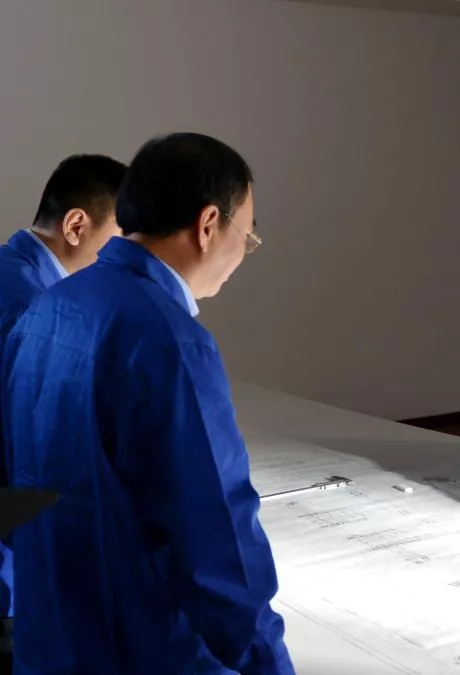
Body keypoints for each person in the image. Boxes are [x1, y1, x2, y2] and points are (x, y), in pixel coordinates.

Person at [1, 132, 294, 673]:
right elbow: (216, 541)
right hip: (135, 646)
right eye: (247, 236)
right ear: (208, 225)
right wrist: (268, 662)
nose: (242, 255)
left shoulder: (50, 306)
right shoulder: (167, 338)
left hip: (49, 639)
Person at [0, 153, 127, 671]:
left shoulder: (11, 274)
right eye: (120, 240)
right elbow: (32, 458)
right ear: (76, 225)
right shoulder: (36, 308)